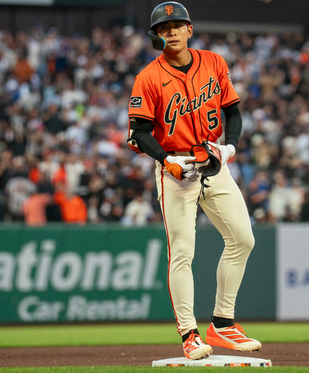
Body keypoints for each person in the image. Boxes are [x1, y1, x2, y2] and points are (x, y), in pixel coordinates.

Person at [126, 1, 261, 360]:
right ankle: (189, 333)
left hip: (213, 160)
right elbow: (138, 132)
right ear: (157, 35)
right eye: (164, 27)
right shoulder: (148, 77)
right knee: (182, 252)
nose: (171, 31)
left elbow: (233, 110)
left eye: (177, 25)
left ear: (189, 29)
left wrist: (229, 148)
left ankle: (223, 323)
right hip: (176, 167)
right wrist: (165, 158)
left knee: (243, 239)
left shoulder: (214, 62)